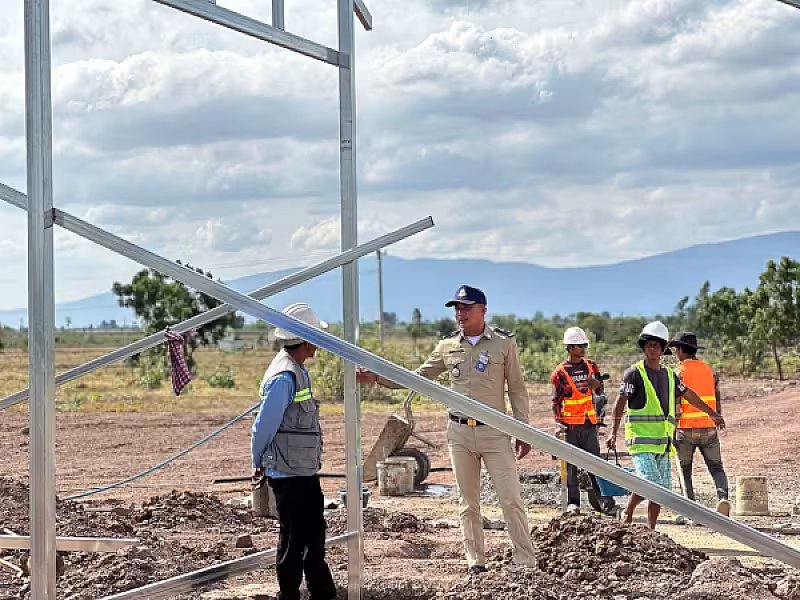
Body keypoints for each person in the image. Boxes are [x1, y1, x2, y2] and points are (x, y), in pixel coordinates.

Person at [357, 285, 536, 575]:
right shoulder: (447, 345)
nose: (460, 313)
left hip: (495, 432)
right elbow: (417, 378)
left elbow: (516, 388)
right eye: (457, 308)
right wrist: (377, 377)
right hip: (460, 434)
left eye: (466, 307)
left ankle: (525, 562)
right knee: (468, 502)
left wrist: (523, 429)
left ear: (483, 310)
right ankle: (475, 563)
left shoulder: (503, 344)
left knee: (510, 498)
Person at [251, 303, 336, 600]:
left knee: (314, 536)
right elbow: (264, 425)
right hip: (288, 473)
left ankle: (322, 592)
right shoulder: (284, 376)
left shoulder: (297, 370)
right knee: (293, 539)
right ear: (307, 339)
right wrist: (258, 460)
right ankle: (289, 594)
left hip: (302, 470)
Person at [607, 321, 725, 529]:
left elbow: (690, 395)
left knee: (661, 491)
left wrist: (712, 413)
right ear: (643, 347)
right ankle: (629, 511)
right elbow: (620, 402)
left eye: (657, 345)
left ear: (663, 349)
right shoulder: (634, 374)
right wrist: (613, 432)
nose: (653, 349)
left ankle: (651, 530)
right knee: (650, 484)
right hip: (641, 441)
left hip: (663, 443)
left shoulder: (670, 375)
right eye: (649, 345)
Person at [551, 326, 616, 515]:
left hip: (588, 425)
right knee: (571, 467)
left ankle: (605, 503)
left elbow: (600, 391)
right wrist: (558, 422)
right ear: (570, 347)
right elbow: (556, 401)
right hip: (570, 427)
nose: (583, 348)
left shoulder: (591, 366)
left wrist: (598, 387)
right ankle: (574, 504)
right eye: (580, 345)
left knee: (596, 464)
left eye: (584, 345)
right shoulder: (560, 373)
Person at [668, 332, 730, 516]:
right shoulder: (710, 370)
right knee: (716, 467)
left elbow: (677, 406)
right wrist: (717, 416)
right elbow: (717, 397)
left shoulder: (678, 373)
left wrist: (672, 431)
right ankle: (723, 498)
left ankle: (689, 508)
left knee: (685, 470)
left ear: (680, 350)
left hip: (685, 429)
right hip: (709, 428)